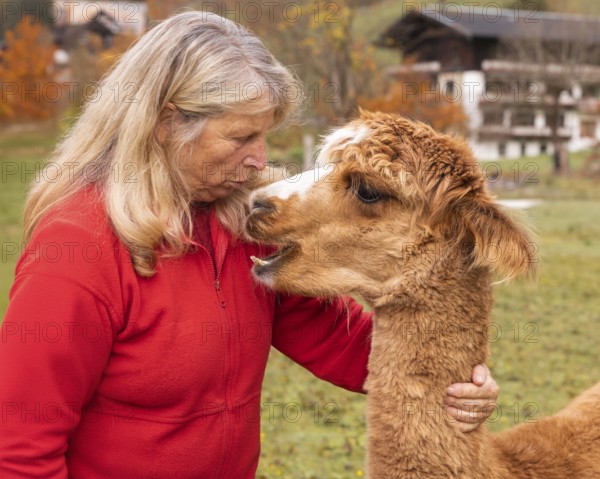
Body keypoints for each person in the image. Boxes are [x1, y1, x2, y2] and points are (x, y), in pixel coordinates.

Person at [0, 11, 499, 479]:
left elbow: (334, 339)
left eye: (265, 137)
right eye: (241, 138)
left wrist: (450, 380)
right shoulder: (78, 250)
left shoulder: (237, 224)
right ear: (167, 123)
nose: (259, 161)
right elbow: (20, 448)